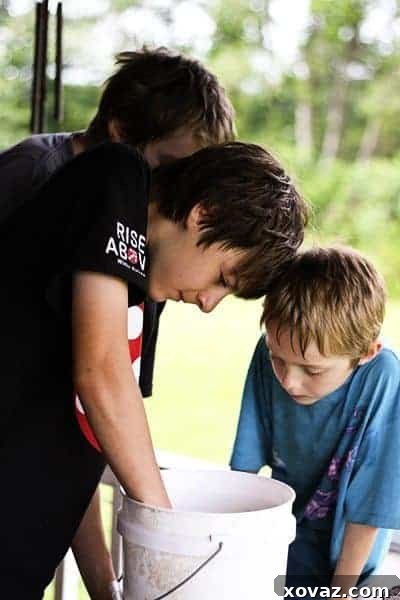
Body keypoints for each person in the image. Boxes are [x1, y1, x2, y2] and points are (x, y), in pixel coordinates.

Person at [0, 139, 307, 599]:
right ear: (204, 213)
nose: (207, 303)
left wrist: (104, 586)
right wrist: (172, 538)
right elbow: (101, 377)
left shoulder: (144, 293)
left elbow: (88, 444)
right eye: (223, 279)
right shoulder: (118, 177)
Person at [0, 47, 234, 597]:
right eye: (174, 169)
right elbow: (98, 375)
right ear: (122, 131)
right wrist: (170, 535)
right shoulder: (42, 173)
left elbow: (83, 433)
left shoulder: (139, 262)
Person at [230, 246, 400, 599]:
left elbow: (371, 504)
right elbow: (241, 474)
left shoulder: (384, 378)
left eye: (312, 370)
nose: (289, 382)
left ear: (366, 353)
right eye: (279, 360)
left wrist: (341, 594)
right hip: (283, 541)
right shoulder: (272, 351)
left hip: (352, 559)